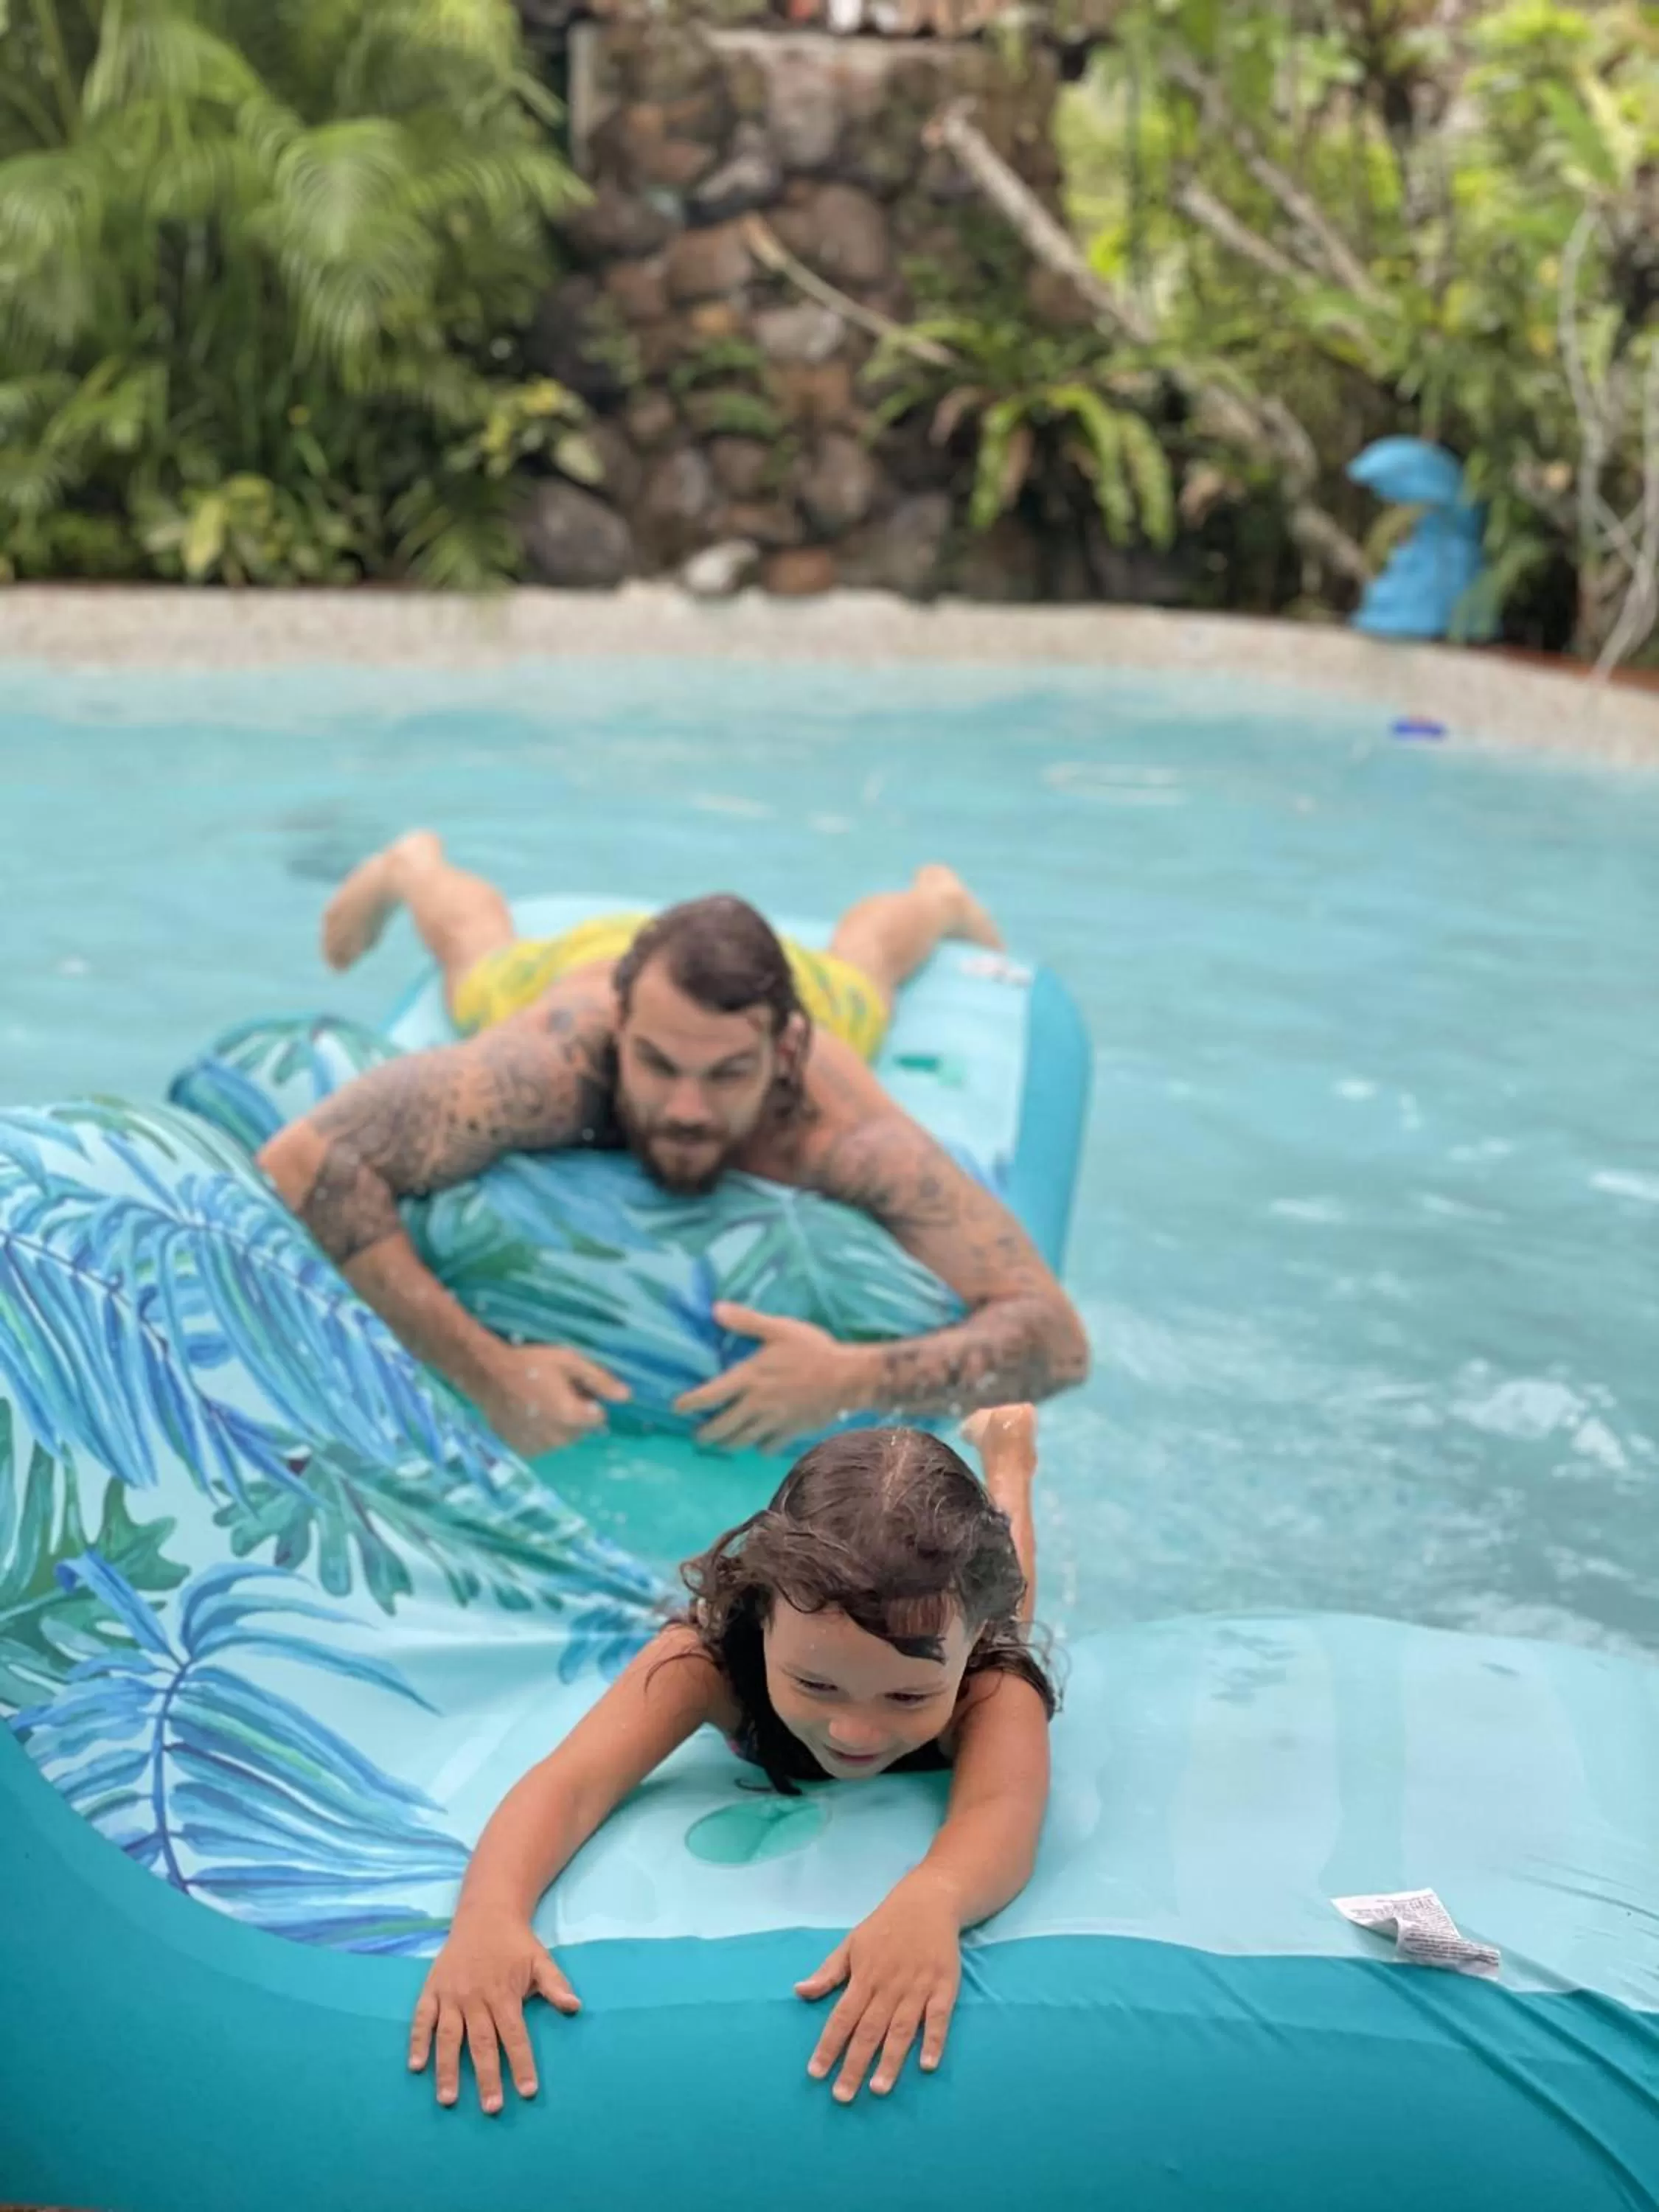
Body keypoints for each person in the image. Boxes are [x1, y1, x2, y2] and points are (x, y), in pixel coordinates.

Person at [259, 833, 1089, 1454]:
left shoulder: (840, 1130)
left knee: (864, 972)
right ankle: (413, 867)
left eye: (727, 1075)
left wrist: (849, 1378)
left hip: (813, 998)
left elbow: (1055, 1341)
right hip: (587, 966)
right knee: (479, 963)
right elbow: (305, 1160)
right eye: (658, 1067)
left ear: (784, 1053)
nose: (686, 1107)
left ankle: (936, 898)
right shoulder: (555, 1061)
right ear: (620, 1035)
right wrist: (491, 1374)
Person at [408, 1405, 1051, 2112]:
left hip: (974, 1624)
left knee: (1007, 1594)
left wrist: (933, 1897)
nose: (855, 1730)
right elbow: (572, 1782)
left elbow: (1002, 1810)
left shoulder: (984, 1683)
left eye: (906, 1696)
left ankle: (1010, 1463)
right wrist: (489, 1916)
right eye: (814, 1682)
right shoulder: (706, 1661)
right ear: (762, 1610)